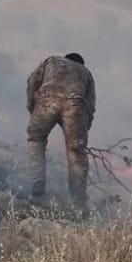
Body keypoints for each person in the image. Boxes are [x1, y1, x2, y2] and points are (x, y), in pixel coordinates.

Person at [25, 52, 96, 209]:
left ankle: (37, 185)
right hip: (75, 105)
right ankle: (78, 204)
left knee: (36, 140)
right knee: (76, 153)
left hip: (47, 100)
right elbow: (90, 107)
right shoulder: (86, 73)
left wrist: (32, 108)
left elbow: (32, 82)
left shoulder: (51, 61)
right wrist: (83, 133)